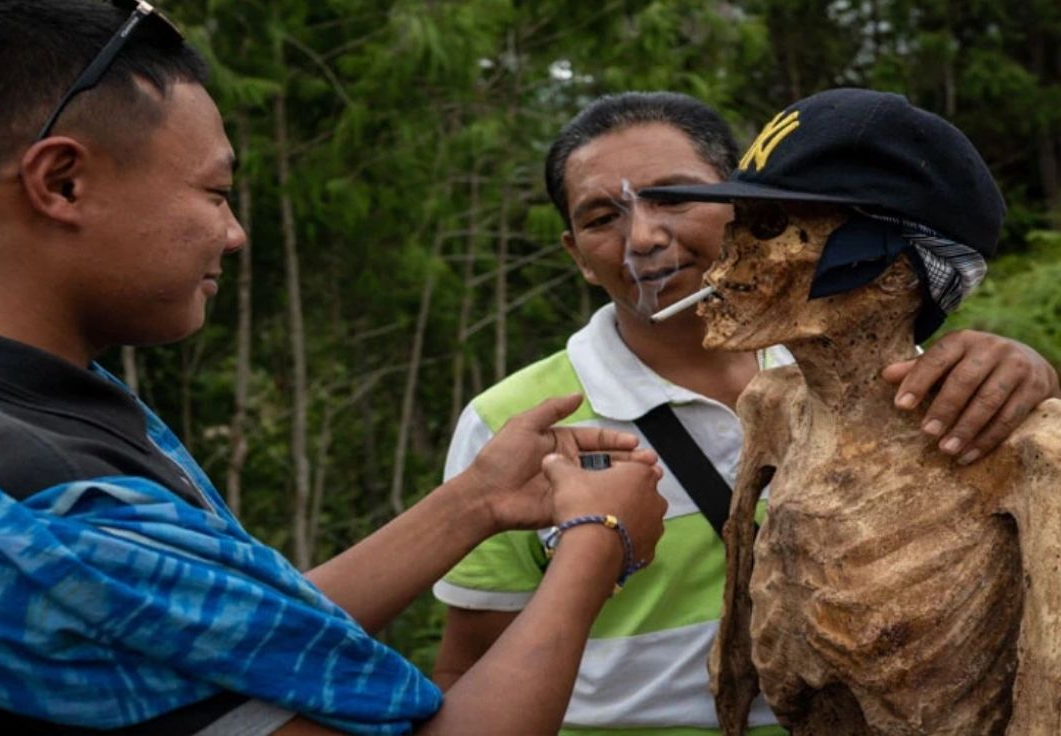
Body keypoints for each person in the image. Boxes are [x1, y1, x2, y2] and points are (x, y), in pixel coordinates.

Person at [0, 0, 669, 735]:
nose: (235, 233)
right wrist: (595, 544)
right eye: (215, 194)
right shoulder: (40, 497)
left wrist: (481, 501)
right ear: (62, 183)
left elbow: (210, 639)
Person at [431, 92, 1059, 735]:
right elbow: (467, 663)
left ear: (741, 204)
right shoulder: (512, 423)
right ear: (576, 254)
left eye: (674, 197)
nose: (644, 238)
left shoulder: (927, 391)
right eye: (601, 217)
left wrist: (1025, 372)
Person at [643, 87, 1061, 734]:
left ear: (895, 271)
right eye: (737, 234)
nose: (722, 273)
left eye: (771, 232)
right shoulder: (773, 404)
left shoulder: (1021, 448)